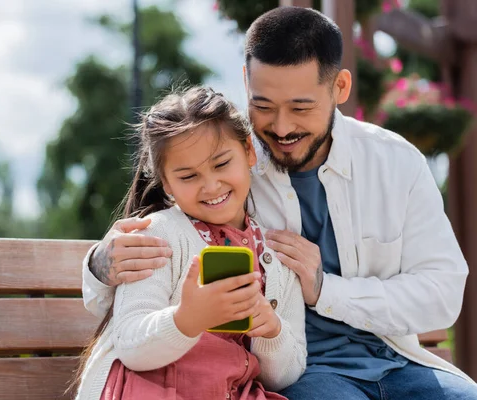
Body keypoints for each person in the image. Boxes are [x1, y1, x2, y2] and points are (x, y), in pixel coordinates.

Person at [81, 6, 477, 400]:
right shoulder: (229, 160)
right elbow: (147, 262)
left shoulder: (395, 162)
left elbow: (442, 294)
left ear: (340, 87)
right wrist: (101, 264)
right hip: (305, 378)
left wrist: (325, 290)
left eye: (300, 108)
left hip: (397, 360)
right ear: (246, 83)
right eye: (264, 106)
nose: (282, 128)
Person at [74, 86, 306, 400]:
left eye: (222, 164)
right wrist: (186, 320)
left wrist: (271, 331)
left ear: (249, 151)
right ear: (166, 183)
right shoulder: (156, 237)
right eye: (188, 176)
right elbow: (130, 345)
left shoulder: (275, 258)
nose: (211, 185)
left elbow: (286, 375)